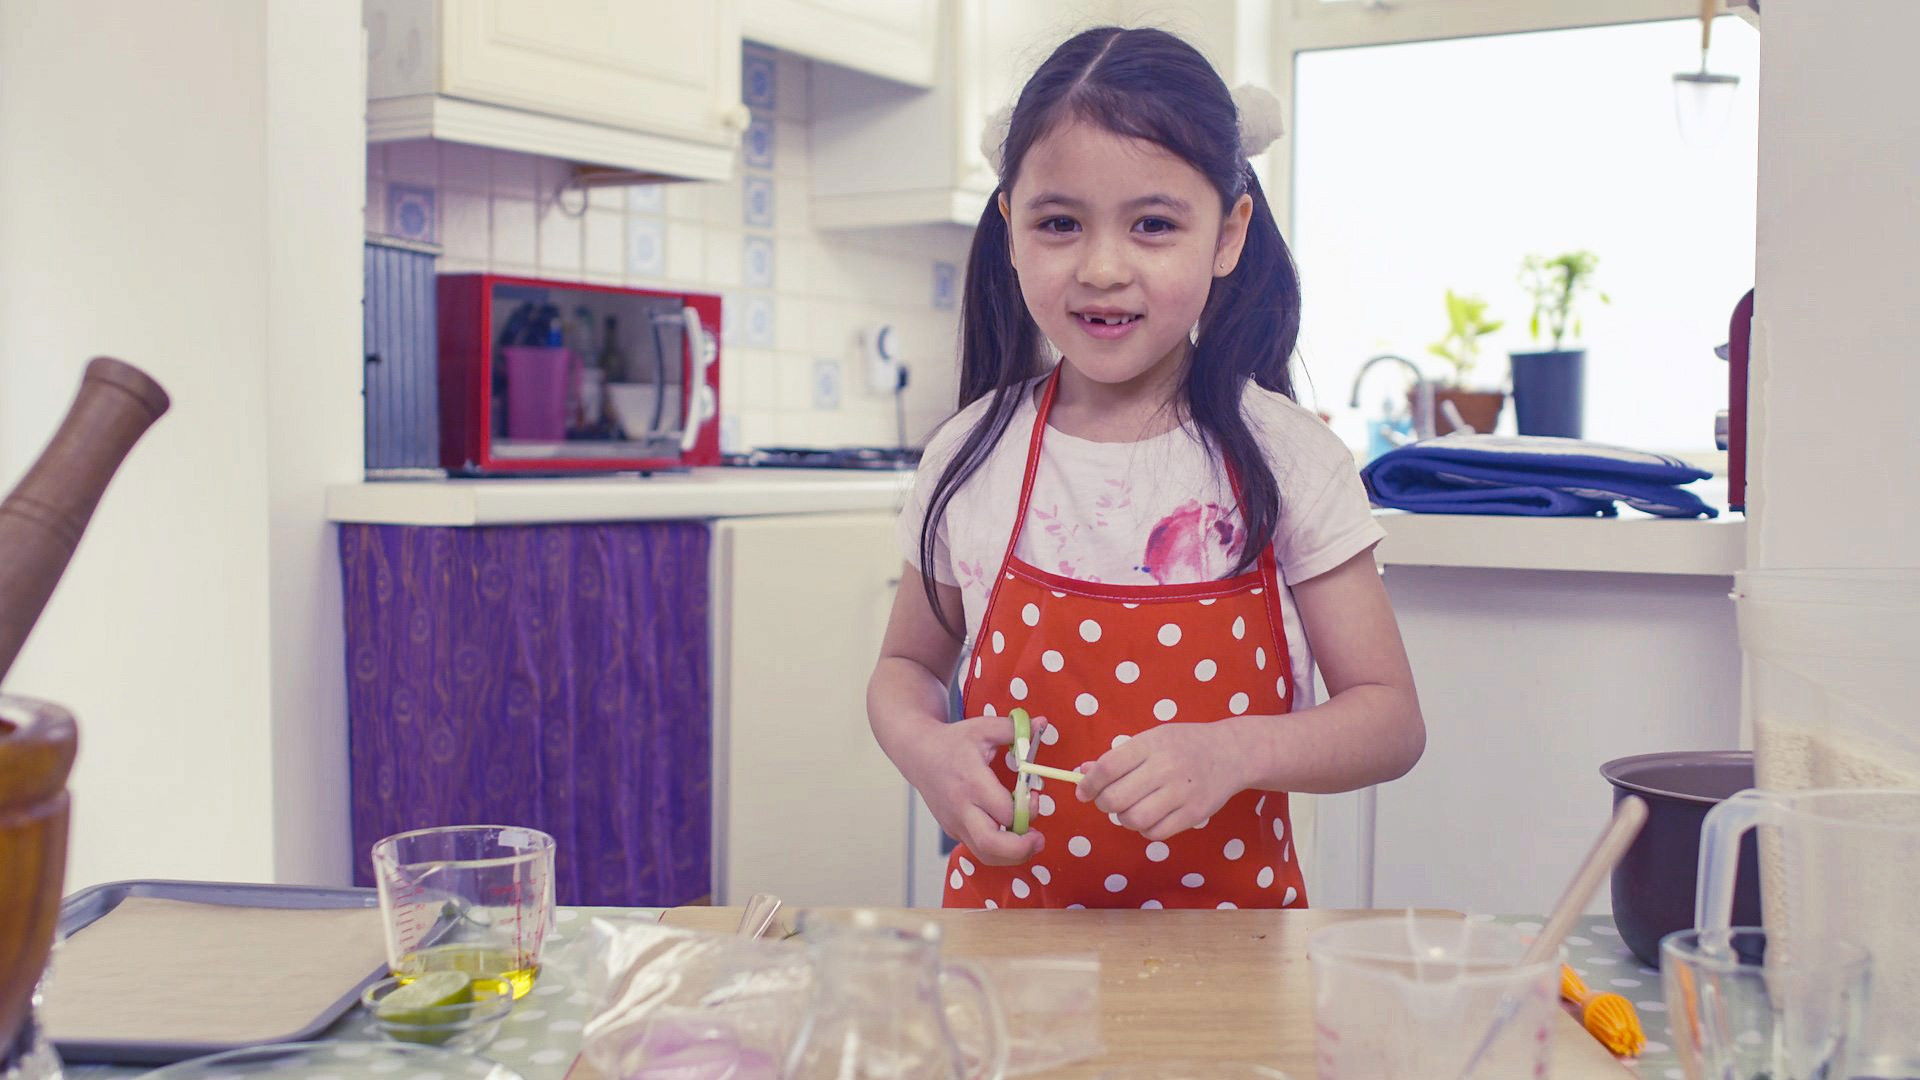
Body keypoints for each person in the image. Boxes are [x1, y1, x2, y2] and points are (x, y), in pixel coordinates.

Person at [867, 25, 1425, 910]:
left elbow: (1390, 719)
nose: (1102, 268)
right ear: (1011, 228)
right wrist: (925, 749)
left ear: (1229, 233)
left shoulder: (1291, 459)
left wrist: (1237, 752)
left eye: (1154, 225)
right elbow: (906, 666)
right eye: (1059, 223)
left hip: (1234, 961)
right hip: (1007, 954)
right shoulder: (969, 456)